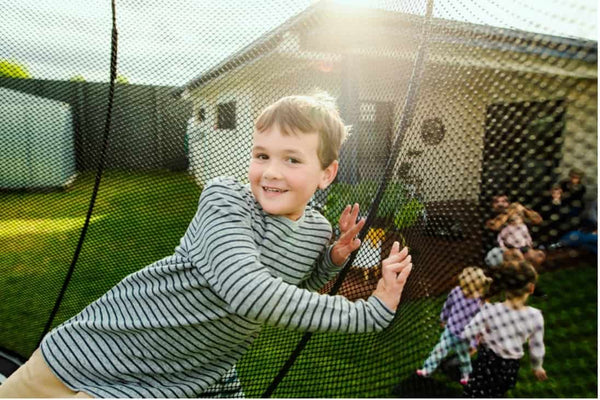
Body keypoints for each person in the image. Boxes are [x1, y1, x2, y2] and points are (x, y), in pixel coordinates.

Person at [0, 94, 413, 398]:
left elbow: (292, 292)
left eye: (292, 159)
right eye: (262, 154)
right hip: (97, 351)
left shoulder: (317, 231)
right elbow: (250, 294)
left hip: (176, 380)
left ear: (327, 173)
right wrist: (367, 314)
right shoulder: (225, 201)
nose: (270, 171)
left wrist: (329, 261)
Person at [462, 260, 547, 397]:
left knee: (475, 391)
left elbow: (467, 333)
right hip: (509, 367)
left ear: (504, 287)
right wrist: (537, 366)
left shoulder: (490, 310)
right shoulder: (535, 316)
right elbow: (536, 346)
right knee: (498, 392)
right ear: (531, 288)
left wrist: (475, 341)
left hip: (486, 362)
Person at [416, 267, 491, 385]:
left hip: (464, 337)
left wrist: (474, 344)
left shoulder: (478, 304)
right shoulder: (456, 292)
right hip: (450, 331)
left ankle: (466, 375)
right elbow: (448, 305)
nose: (471, 293)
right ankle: (427, 370)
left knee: (464, 357)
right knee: (438, 350)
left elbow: (479, 325)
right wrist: (444, 318)